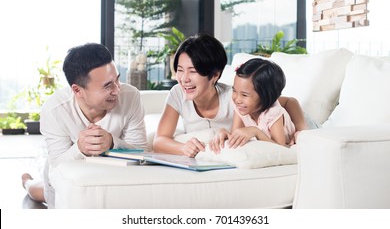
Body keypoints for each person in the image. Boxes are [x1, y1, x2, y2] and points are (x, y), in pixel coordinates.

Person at [22, 43, 147, 208]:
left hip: (111, 174)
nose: (117, 90)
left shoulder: (131, 96)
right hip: (62, 176)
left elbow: (142, 154)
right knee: (38, 192)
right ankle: (28, 183)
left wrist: (111, 143)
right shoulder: (55, 110)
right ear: (77, 90)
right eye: (108, 85)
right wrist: (79, 148)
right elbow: (59, 165)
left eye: (117, 80)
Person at [153, 33, 307, 158]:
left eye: (192, 71)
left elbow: (288, 102)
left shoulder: (235, 98)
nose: (184, 79)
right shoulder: (178, 94)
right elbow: (159, 140)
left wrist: (302, 130)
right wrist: (183, 148)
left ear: (214, 75)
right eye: (180, 70)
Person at [209, 58, 298, 153]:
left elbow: (281, 149)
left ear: (265, 96)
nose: (237, 99)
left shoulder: (273, 113)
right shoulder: (241, 108)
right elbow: (236, 136)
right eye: (234, 90)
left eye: (244, 95)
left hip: (302, 128)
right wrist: (224, 133)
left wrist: (256, 132)